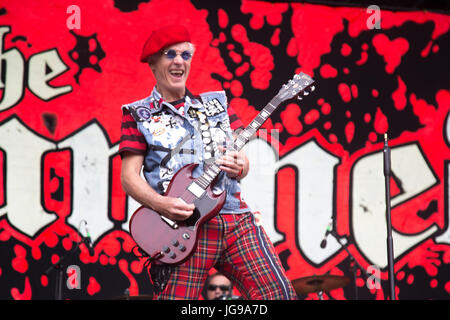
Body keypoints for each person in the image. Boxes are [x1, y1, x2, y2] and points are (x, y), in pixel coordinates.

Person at [119, 25, 297, 300]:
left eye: (185, 55)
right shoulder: (138, 114)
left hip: (234, 217)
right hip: (183, 227)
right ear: (153, 63)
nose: (179, 61)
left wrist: (241, 165)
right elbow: (129, 177)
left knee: (279, 294)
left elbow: (242, 159)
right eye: (170, 54)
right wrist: (162, 204)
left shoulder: (216, 105)